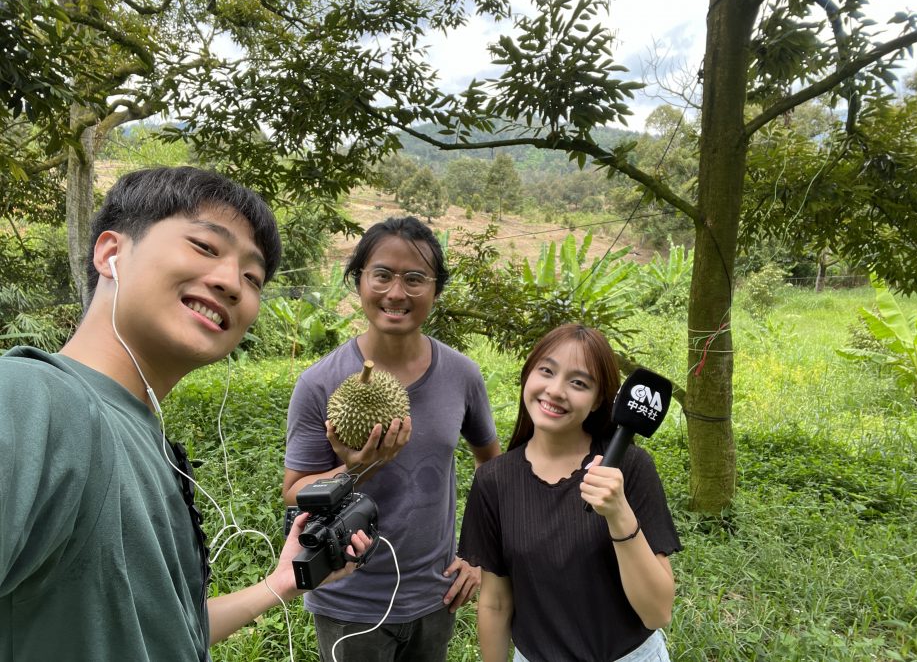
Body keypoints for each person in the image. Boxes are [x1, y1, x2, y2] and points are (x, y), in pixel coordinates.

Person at [0, 166, 369, 660]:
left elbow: (164, 628)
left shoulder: (141, 436)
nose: (232, 283)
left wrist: (281, 583)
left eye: (252, 276)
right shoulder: (34, 397)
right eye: (205, 247)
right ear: (112, 254)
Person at [284, 216, 501, 661]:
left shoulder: (462, 375)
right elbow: (294, 494)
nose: (396, 293)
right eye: (381, 275)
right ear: (358, 281)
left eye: (415, 279)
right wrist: (358, 467)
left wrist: (479, 553)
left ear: (436, 290)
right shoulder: (319, 384)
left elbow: (491, 467)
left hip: (434, 595)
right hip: (348, 600)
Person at [459, 323, 681, 662]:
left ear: (597, 402)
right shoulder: (494, 480)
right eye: (546, 371)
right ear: (527, 375)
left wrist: (619, 513)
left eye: (579, 382)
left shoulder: (630, 467)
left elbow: (657, 613)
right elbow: (495, 601)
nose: (556, 390)